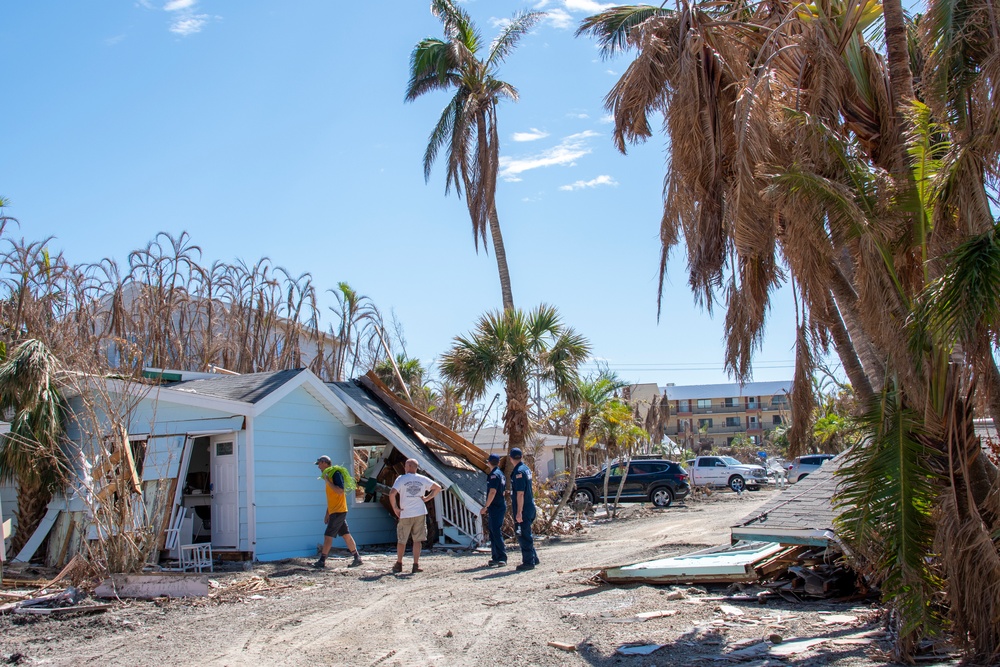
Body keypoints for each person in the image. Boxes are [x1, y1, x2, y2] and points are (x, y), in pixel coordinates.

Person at [389, 459, 442, 574]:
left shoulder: (401, 479)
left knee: (402, 540)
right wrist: (427, 498)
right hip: (419, 512)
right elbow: (437, 487)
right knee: (417, 540)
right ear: (416, 467)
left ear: (408, 466)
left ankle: (399, 564)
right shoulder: (422, 479)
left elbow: (392, 493)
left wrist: (395, 508)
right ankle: (415, 565)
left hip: (405, 513)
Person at [314, 455, 363, 569]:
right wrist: (327, 513)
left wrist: (327, 481)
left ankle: (322, 561)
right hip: (336, 511)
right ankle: (357, 558)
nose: (318, 467)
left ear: (325, 463)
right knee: (346, 535)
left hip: (338, 511)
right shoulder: (329, 475)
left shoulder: (335, 473)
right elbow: (332, 497)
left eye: (319, 464)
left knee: (328, 536)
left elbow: (340, 491)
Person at [509, 447, 539, 570]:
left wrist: (519, 512)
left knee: (523, 535)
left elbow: (520, 493)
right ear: (521, 457)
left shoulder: (519, 472)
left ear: (511, 458)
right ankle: (534, 558)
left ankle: (528, 562)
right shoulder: (526, 469)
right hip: (530, 506)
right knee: (526, 533)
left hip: (524, 508)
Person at [479, 453, 507, 566]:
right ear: (498, 463)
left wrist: (486, 506)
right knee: (493, 531)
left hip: (496, 506)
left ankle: (502, 557)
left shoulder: (494, 475)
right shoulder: (501, 474)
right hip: (498, 505)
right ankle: (495, 556)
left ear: (489, 462)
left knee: (496, 531)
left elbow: (493, 492)